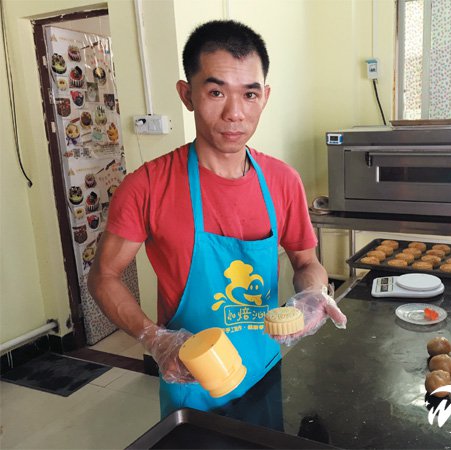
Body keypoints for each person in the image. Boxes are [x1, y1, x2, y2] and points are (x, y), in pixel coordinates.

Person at [88, 20, 346, 418]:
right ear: (187, 94)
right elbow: (103, 276)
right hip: (190, 385)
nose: (235, 113)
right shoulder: (147, 186)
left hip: (265, 372)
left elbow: (306, 262)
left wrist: (313, 294)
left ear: (265, 97)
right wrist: (156, 340)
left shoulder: (282, 181)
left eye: (250, 94)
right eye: (216, 92)